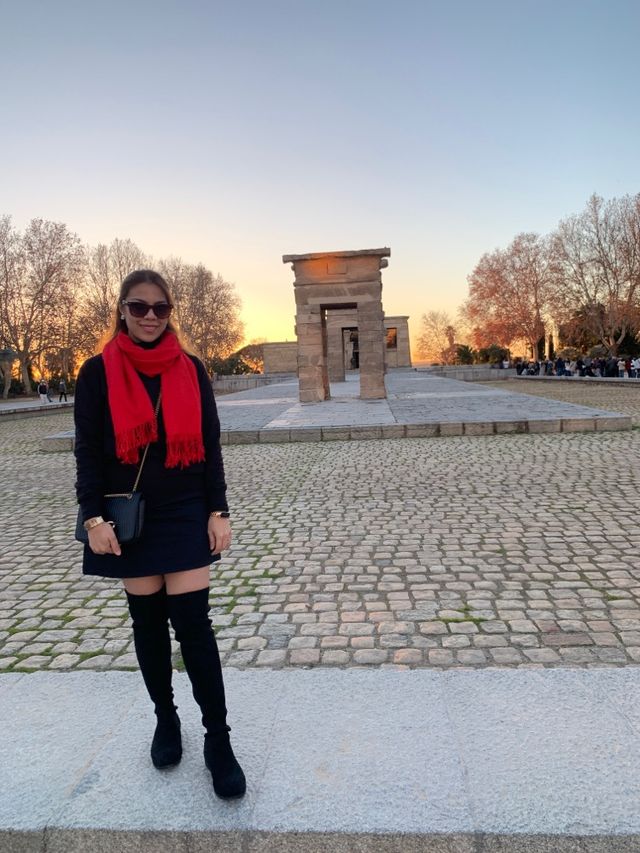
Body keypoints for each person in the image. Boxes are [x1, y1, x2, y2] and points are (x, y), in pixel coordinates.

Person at [74, 269, 245, 799]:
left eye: (160, 308)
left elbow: (211, 445)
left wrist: (219, 509)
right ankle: (166, 720)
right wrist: (92, 519)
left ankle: (218, 740)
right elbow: (87, 452)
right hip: (131, 516)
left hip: (186, 510)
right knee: (147, 626)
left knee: (194, 626)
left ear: (171, 312)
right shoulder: (97, 373)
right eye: (139, 307)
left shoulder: (192, 369)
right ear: (121, 310)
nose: (150, 316)